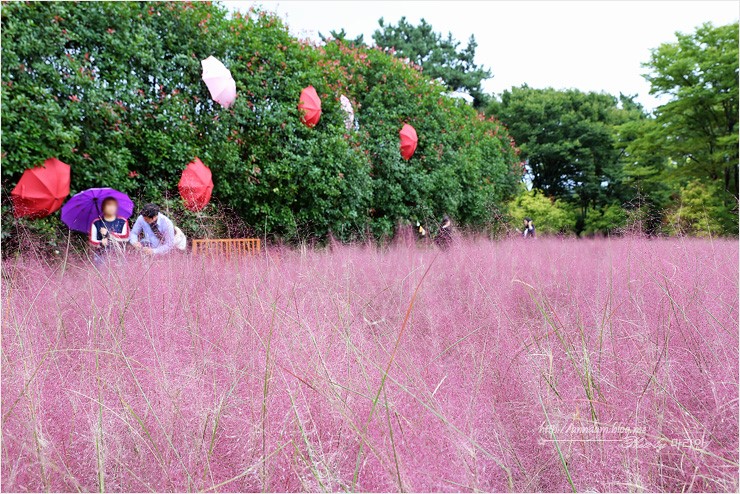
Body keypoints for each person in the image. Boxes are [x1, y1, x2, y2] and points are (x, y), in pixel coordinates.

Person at [90, 197, 130, 262]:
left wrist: (108, 234)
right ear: (103, 207)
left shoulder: (123, 221)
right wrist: (101, 243)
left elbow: (125, 238)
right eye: (108, 205)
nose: (111, 207)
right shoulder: (96, 222)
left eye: (114, 205)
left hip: (118, 254)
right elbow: (92, 242)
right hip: (101, 255)